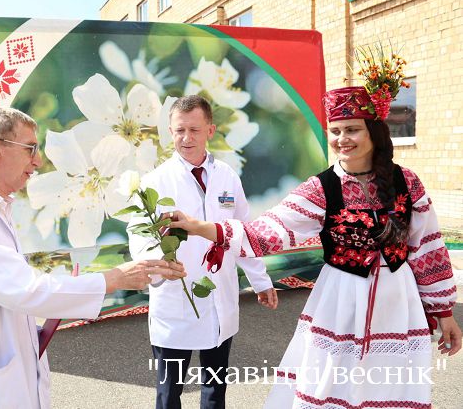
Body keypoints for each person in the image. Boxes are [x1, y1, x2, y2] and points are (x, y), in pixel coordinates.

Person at [167, 86, 461, 408]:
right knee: (330, 386)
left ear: (373, 131)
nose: (342, 138)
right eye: (335, 131)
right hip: (340, 302)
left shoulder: (407, 182)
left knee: (389, 389)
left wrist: (443, 312)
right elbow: (266, 232)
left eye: (352, 129)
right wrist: (199, 227)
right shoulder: (322, 187)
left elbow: (427, 248)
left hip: (397, 304)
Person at [0, 107, 186, 409]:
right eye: (30, 149)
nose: (37, 161)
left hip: (6, 375)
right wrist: (115, 279)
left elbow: (8, 296)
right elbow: (27, 291)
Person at [127, 95, 278, 409]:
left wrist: (261, 281)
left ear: (210, 130)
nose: (186, 138)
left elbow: (243, 232)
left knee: (214, 391)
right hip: (175, 303)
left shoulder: (227, 176)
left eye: (194, 130)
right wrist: (156, 272)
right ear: (170, 131)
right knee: (169, 395)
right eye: (179, 130)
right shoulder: (155, 182)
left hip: (219, 297)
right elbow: (139, 239)